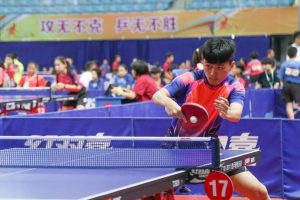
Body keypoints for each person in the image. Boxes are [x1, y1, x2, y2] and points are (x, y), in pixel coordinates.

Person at [152, 38, 269, 200]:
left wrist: (227, 112)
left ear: (231, 66)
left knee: (260, 193)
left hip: (210, 153)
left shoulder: (234, 87)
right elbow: (158, 95)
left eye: (220, 68)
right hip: (173, 151)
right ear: (203, 62)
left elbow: (235, 114)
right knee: (147, 193)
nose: (213, 73)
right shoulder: (189, 79)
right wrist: (169, 103)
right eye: (209, 66)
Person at [278, 46, 300, 119]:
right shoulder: (299, 64)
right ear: (296, 54)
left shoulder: (284, 64)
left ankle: (292, 122)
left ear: (287, 54)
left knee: (289, 104)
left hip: (286, 85)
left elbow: (280, 78)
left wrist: (282, 86)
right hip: (297, 86)